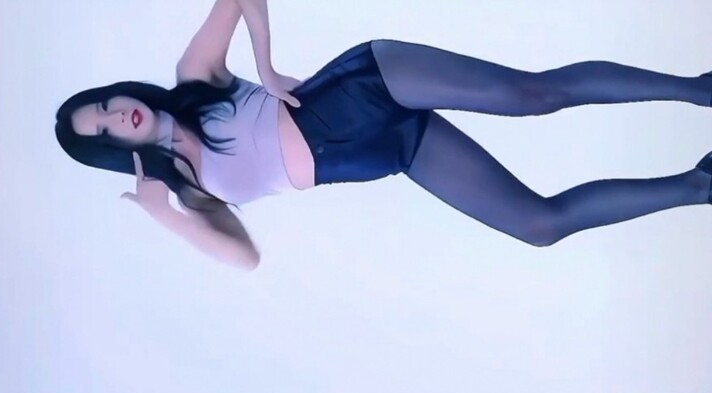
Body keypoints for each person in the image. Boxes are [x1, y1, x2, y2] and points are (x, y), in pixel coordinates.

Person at [55, 0, 712, 270]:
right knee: (538, 224)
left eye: (105, 105)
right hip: (380, 153)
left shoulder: (192, 78)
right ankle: (700, 184)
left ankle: (699, 88)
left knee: (532, 96)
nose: (117, 116)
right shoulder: (190, 192)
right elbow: (244, 259)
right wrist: (165, 215)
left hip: (366, 87)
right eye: (104, 129)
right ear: (114, 150)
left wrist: (265, 65)